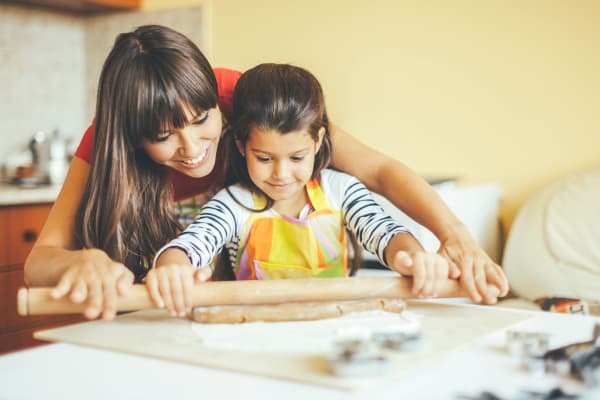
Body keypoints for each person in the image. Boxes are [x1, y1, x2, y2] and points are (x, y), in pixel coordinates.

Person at [24, 25, 507, 321]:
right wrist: (79, 261)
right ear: (130, 137)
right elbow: (41, 259)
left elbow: (377, 174)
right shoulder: (105, 145)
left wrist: (451, 237)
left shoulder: (247, 100)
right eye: (164, 137)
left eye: (201, 121)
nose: (192, 149)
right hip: (173, 310)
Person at [150, 63, 450, 316]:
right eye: (264, 158)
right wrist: (173, 269)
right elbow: (192, 245)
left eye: (297, 157)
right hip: (253, 332)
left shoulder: (341, 190)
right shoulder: (232, 203)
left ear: (318, 141)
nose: (282, 174)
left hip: (332, 327)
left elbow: (384, 232)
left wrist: (413, 257)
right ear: (242, 146)